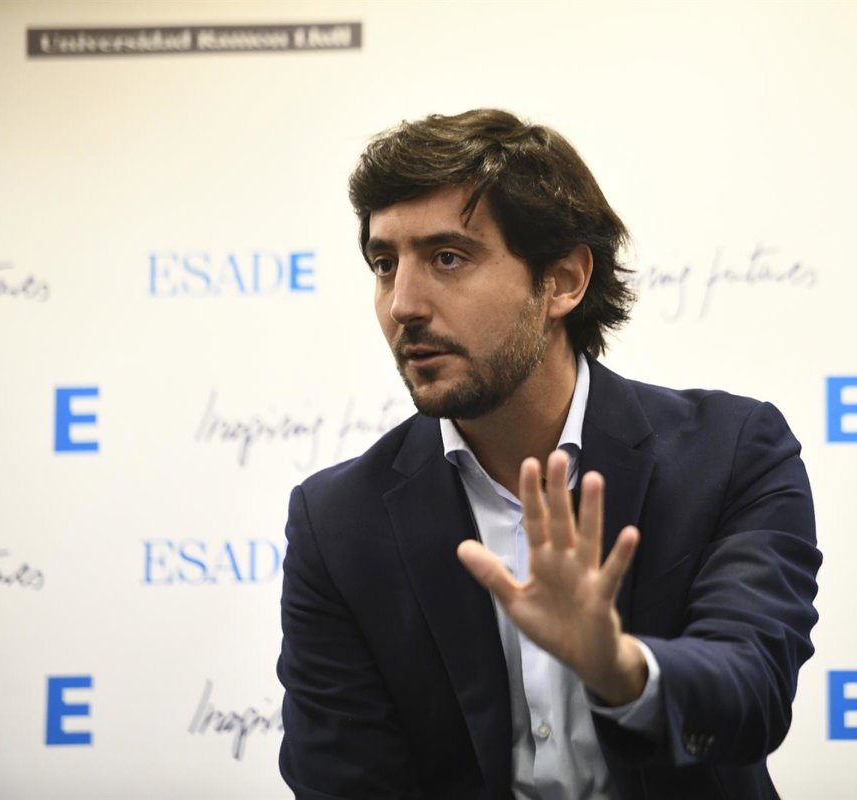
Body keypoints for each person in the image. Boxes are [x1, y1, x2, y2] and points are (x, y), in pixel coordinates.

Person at [276, 108, 821, 800]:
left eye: (447, 258)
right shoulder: (336, 523)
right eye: (385, 265)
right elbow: (345, 782)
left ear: (563, 280)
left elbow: (751, 691)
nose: (403, 304)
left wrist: (620, 669)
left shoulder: (733, 453)